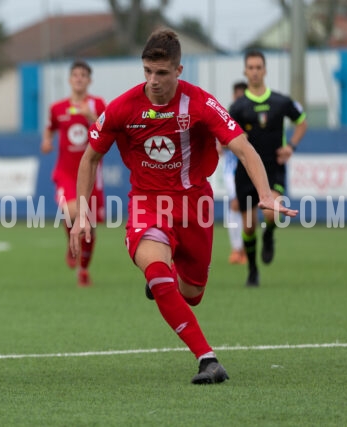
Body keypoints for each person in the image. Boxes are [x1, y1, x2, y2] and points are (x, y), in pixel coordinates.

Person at [70, 29, 297, 384]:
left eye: (162, 73)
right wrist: (83, 212)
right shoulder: (123, 107)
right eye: (147, 71)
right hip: (146, 202)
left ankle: (165, 280)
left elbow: (243, 147)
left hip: (195, 205)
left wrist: (265, 194)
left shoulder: (201, 104)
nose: (153, 80)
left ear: (179, 70)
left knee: (192, 294)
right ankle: (208, 359)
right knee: (157, 272)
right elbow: (90, 159)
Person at [230, 50, 307, 287]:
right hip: (245, 172)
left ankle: (270, 234)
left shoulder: (281, 102)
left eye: (258, 67)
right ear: (245, 71)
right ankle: (252, 270)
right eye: (250, 68)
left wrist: (291, 146)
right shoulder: (238, 107)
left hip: (274, 168)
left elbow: (301, 122)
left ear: (265, 70)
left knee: (272, 213)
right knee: (249, 226)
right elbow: (226, 136)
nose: (254, 72)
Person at [41, 60, 106, 287]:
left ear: (89, 80)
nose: (79, 79)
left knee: (89, 223)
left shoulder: (98, 105)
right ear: (70, 80)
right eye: (75, 75)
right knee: (70, 211)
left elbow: (107, 129)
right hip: (65, 172)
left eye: (83, 75)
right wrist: (47, 140)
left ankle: (84, 270)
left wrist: (91, 117)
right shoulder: (57, 108)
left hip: (90, 172)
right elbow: (50, 127)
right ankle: (71, 242)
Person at [220, 81, 248, 264]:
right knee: (235, 203)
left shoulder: (253, 114)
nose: (239, 99)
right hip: (232, 168)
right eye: (237, 95)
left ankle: (243, 249)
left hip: (248, 167)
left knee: (247, 208)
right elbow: (221, 143)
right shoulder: (228, 115)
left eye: (242, 95)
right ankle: (237, 249)